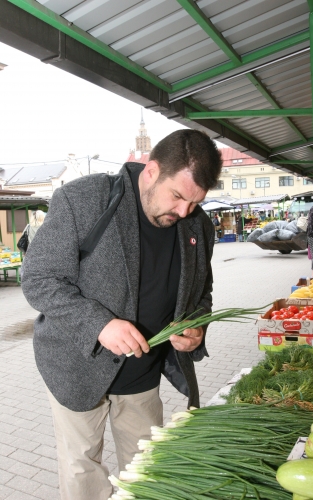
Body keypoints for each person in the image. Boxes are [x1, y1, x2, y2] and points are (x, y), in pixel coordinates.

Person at [21, 129, 222, 500]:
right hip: (76, 368)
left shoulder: (198, 225)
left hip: (144, 373)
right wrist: (99, 324)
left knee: (149, 471)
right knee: (83, 471)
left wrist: (197, 325)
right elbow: (38, 278)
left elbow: (201, 291)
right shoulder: (84, 200)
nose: (183, 213)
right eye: (177, 196)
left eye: (194, 203)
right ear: (151, 170)